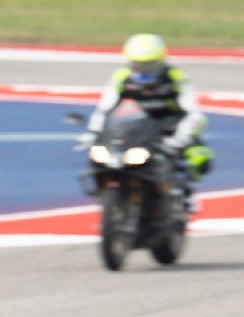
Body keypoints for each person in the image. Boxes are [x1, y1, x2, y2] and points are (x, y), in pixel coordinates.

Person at [75, 33, 214, 212]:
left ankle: (187, 194)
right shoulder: (122, 77)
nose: (141, 68)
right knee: (101, 155)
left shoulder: (175, 77)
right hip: (135, 127)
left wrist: (181, 136)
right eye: (137, 63)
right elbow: (104, 108)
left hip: (168, 127)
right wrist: (93, 132)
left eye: (147, 64)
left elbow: (193, 112)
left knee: (198, 155)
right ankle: (108, 194)